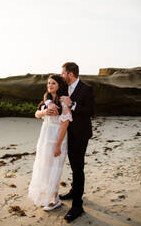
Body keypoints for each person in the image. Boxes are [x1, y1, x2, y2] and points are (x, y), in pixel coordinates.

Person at [45, 62, 94, 222]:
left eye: (63, 73)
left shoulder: (87, 89)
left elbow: (90, 111)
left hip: (80, 135)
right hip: (65, 135)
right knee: (73, 166)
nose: (61, 76)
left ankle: (77, 206)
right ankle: (74, 191)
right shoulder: (64, 88)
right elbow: (49, 97)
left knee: (78, 168)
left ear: (70, 74)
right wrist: (46, 107)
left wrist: (72, 104)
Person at [28, 75, 72, 211]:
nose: (50, 85)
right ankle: (47, 196)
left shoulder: (63, 101)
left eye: (53, 83)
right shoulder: (47, 100)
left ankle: (55, 199)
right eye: (48, 83)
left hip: (57, 137)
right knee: (45, 167)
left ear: (59, 85)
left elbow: (65, 124)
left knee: (55, 168)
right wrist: (45, 111)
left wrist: (58, 145)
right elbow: (36, 114)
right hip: (45, 136)